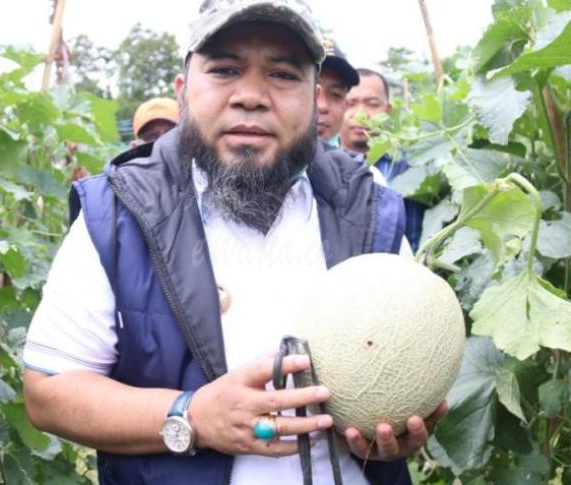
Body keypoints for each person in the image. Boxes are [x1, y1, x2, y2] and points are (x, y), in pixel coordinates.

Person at [23, 1, 445, 484]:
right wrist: (192, 415)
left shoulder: (372, 211)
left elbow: (408, 372)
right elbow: (48, 392)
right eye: (224, 69)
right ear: (184, 91)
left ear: (316, 99)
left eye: (283, 75)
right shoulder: (117, 212)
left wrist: (390, 429)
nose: (251, 96)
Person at [340, 68, 425, 251]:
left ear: (388, 110)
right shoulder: (316, 166)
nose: (360, 113)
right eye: (350, 103)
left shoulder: (410, 167)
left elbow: (415, 242)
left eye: (372, 103)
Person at [316, 39, 359, 146]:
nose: (322, 106)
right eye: (312, 91)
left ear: (346, 105)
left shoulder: (356, 162)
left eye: (336, 95)